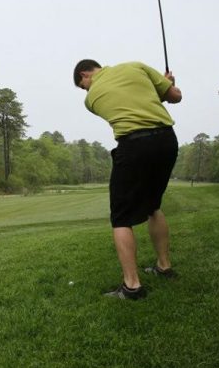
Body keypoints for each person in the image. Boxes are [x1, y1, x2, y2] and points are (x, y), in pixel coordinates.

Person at [73, 59, 182, 300]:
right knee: (153, 205)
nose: (86, 91)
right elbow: (175, 97)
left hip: (134, 146)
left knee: (121, 217)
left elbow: (128, 106)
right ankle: (164, 267)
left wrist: (161, 89)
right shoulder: (136, 66)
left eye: (83, 86)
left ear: (85, 75)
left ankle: (132, 287)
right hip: (167, 141)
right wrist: (167, 85)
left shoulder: (91, 100)